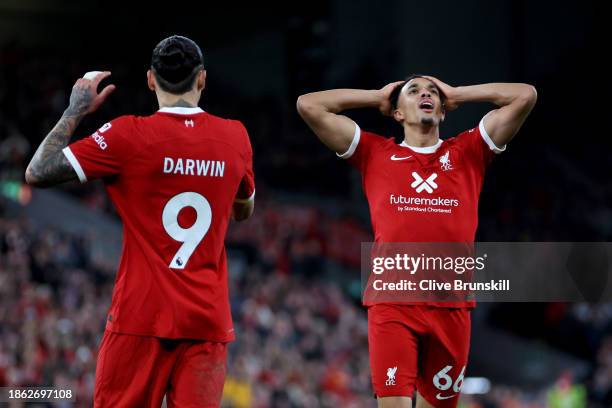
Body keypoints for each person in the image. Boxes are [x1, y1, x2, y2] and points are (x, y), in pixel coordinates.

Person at [25, 35, 255, 407]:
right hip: (206, 324)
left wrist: (75, 111)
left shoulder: (127, 136)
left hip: (139, 319)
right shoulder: (236, 137)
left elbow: (37, 172)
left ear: (151, 80)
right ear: (202, 80)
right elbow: (244, 210)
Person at [297, 75, 536, 407]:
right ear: (397, 113)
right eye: (414, 91)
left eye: (433, 93)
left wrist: (457, 92)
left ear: (442, 110)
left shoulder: (469, 151)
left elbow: (524, 95)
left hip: (451, 307)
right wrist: (376, 96)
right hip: (393, 304)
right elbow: (309, 104)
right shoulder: (375, 152)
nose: (426, 93)